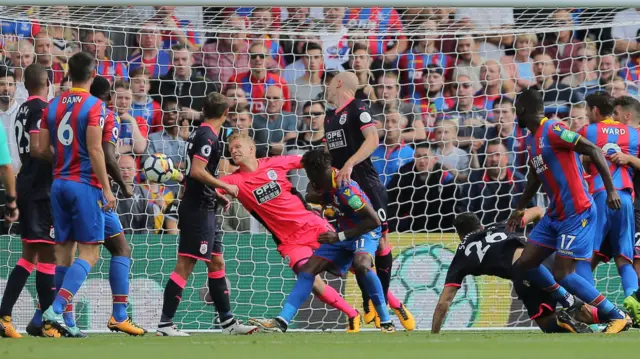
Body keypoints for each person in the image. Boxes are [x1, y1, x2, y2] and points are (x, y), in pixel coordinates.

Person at [507, 88, 631, 334]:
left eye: (516, 110)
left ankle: (617, 315)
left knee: (564, 273)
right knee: (524, 265)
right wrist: (519, 208)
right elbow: (534, 177)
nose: (515, 115)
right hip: (555, 215)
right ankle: (570, 303)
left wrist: (611, 191)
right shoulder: (532, 140)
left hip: (577, 213)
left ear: (521, 110)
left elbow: (594, 150)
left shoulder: (553, 129)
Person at [216, 133, 362, 332]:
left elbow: (310, 162)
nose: (234, 150)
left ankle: (390, 306)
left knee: (358, 265)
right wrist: (218, 193)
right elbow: (212, 188)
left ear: (251, 149)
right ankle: (353, 313)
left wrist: (334, 176)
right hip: (290, 241)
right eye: (231, 148)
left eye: (238, 146)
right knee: (310, 279)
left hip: (312, 225)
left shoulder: (275, 163)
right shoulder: (235, 180)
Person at [248, 149, 395, 333]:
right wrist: (317, 198)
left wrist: (339, 236)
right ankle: (282, 320)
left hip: (364, 233)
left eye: (308, 174)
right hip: (344, 234)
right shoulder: (326, 181)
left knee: (362, 265)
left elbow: (373, 221)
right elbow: (311, 194)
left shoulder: (346, 188)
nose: (308, 178)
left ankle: (386, 320)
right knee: (308, 270)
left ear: (316, 172)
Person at [156, 92, 257, 336]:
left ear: (203, 109)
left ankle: (227, 322)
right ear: (225, 114)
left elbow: (194, 174)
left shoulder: (200, 134)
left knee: (216, 261)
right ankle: (165, 324)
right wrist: (224, 186)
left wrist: (216, 193)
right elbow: (198, 172)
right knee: (186, 264)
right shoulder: (207, 137)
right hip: (197, 209)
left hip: (206, 204)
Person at [324, 71, 415, 330]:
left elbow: (373, 139)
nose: (327, 85)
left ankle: (378, 304)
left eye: (331, 81)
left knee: (381, 241)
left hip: (367, 186)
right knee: (357, 251)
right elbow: (331, 156)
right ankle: (372, 302)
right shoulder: (329, 117)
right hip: (345, 190)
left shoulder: (358, 107)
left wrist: (351, 163)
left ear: (340, 83)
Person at [39, 52, 116, 337]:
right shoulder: (96, 105)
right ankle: (55, 310)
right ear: (93, 75)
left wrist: (64, 161)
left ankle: (67, 323)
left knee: (64, 254)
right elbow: (96, 150)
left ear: (68, 73)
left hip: (58, 182)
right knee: (90, 253)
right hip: (84, 184)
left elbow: (42, 147)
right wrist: (107, 188)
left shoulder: (52, 104)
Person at [432, 211, 594, 334]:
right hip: (545, 258)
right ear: (481, 226)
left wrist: (434, 333)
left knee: (546, 323)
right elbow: (537, 210)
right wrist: (548, 235)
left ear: (460, 236)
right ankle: (609, 316)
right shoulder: (498, 226)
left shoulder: (462, 254)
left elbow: (443, 303)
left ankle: (563, 317)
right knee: (585, 307)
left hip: (523, 272)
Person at [0, 63, 60, 338]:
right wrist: (63, 158)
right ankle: (47, 323)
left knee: (30, 257)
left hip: (28, 184)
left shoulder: (22, 109)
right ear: (46, 82)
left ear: (24, 85)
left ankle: (6, 315)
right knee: (46, 254)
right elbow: (37, 148)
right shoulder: (40, 109)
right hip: (39, 188)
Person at [88, 75, 147, 336]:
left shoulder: (72, 110)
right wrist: (121, 188)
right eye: (116, 95)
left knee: (120, 248)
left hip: (74, 187)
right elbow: (107, 156)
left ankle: (118, 316)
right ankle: (55, 312)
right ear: (110, 97)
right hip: (93, 191)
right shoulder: (103, 116)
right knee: (84, 254)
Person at [578, 92, 640, 326]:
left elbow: (576, 158)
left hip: (600, 197)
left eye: (587, 109)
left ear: (594, 110)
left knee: (584, 258)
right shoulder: (634, 134)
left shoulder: (588, 131)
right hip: (625, 199)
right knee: (625, 259)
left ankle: (592, 310)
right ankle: (634, 304)